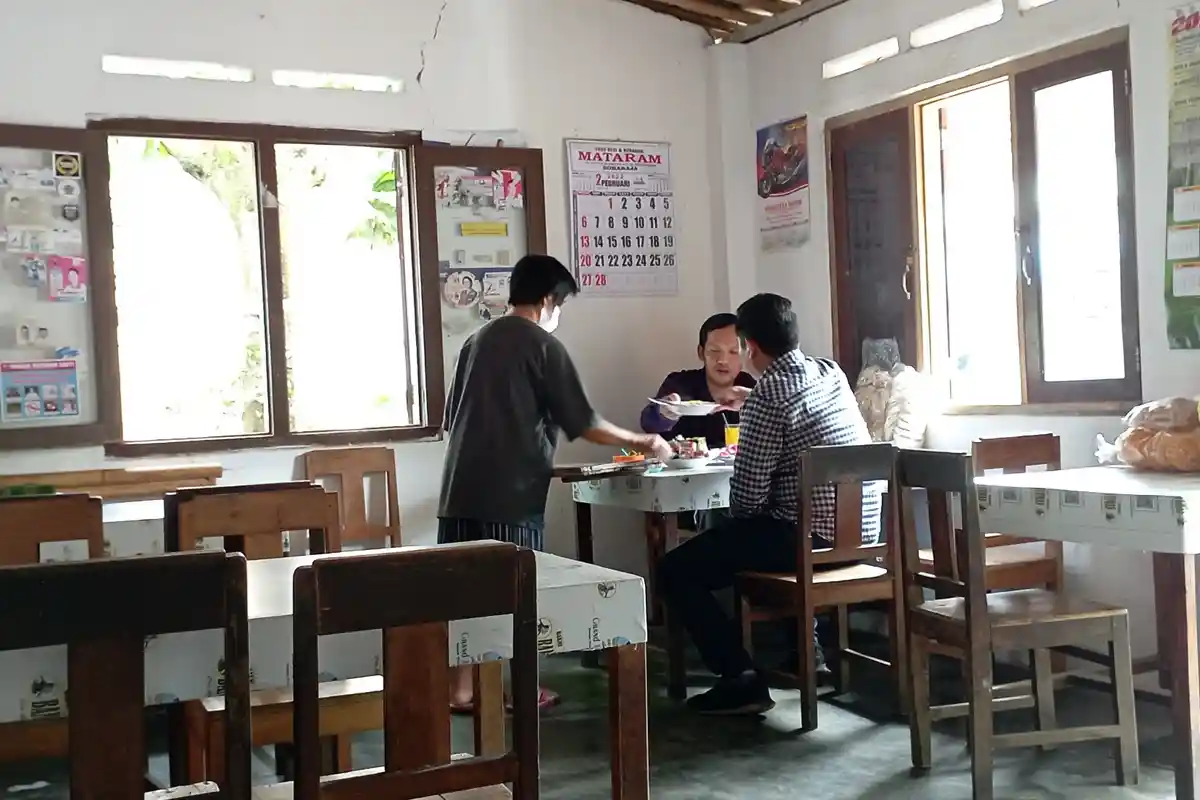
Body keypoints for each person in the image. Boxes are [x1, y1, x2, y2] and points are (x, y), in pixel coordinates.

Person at [439, 253, 672, 712]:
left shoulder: (475, 340)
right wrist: (645, 441)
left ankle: (461, 690)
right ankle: (525, 690)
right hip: (510, 495)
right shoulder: (540, 345)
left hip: (459, 490)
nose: (558, 314)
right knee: (518, 595)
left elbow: (451, 419)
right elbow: (584, 423)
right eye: (561, 304)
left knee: (465, 594)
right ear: (548, 300)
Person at [657, 293, 881, 716]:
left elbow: (746, 499)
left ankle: (740, 678)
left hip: (808, 541)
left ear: (751, 347)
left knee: (676, 569)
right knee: (748, 537)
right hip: (866, 536)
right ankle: (803, 650)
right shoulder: (829, 372)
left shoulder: (768, 395)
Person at [640, 313, 756, 451]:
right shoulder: (680, 383)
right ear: (701, 352)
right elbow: (649, 423)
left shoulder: (749, 387)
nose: (723, 360)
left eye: (733, 352)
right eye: (714, 351)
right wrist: (664, 413)